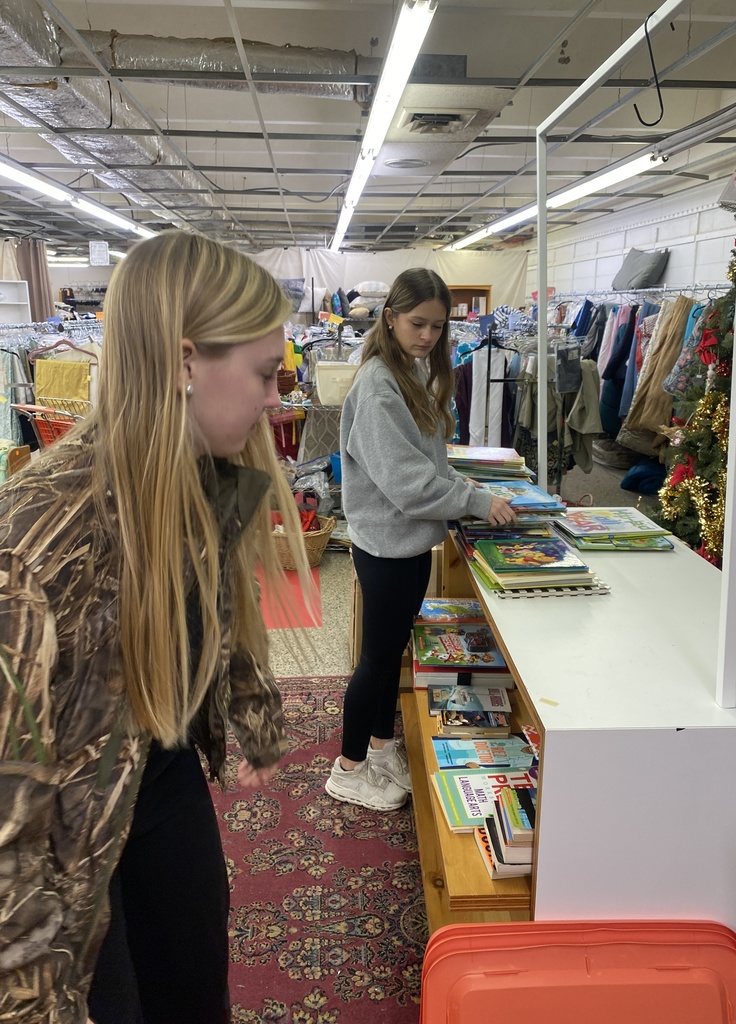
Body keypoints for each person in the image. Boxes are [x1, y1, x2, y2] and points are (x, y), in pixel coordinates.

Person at [0, 231, 311, 1024]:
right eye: (264, 374)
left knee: (195, 986)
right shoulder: (40, 539)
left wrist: (254, 715)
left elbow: (219, 612)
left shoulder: (199, 480)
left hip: (163, 788)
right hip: (62, 855)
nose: (276, 397)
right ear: (182, 363)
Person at [325, 268, 516, 811]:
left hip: (405, 541)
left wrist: (461, 485)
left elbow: (426, 460)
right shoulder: (381, 385)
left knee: (389, 655)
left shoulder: (407, 372)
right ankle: (348, 768)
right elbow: (408, 485)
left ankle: (380, 748)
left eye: (437, 325)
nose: (428, 335)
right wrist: (476, 501)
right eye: (417, 323)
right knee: (378, 660)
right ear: (391, 317)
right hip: (386, 542)